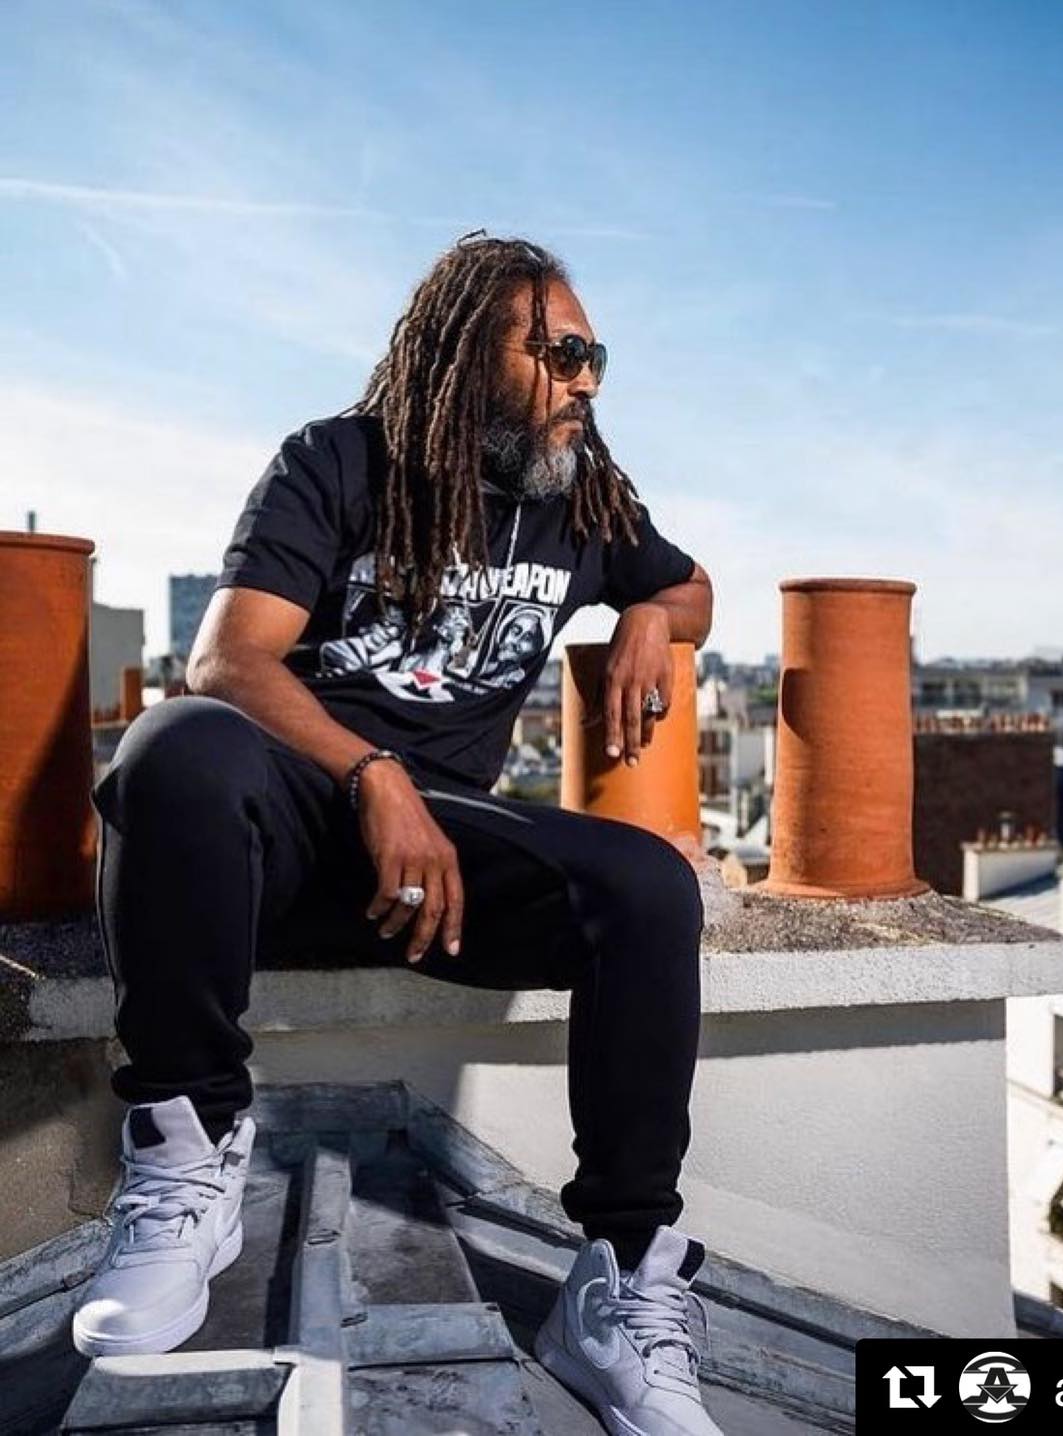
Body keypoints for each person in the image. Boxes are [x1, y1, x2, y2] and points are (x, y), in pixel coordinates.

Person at [74, 232, 724, 1436]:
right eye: (558, 353)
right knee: (174, 746)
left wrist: (650, 613)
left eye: (596, 356)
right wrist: (372, 772)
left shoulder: (583, 488)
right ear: (468, 354)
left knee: (647, 886)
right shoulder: (337, 460)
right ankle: (187, 1149)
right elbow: (228, 660)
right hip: (284, 827)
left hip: (440, 872)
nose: (585, 378)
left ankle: (624, 1282)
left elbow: (693, 586)